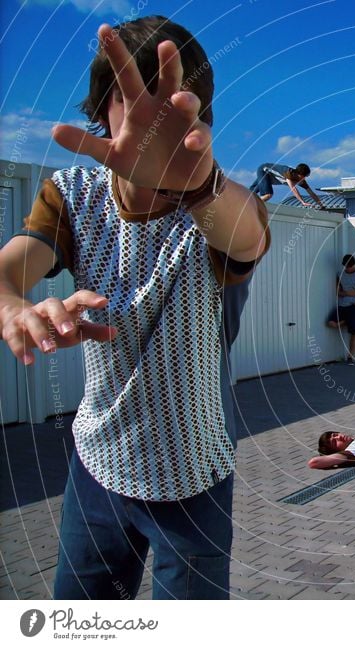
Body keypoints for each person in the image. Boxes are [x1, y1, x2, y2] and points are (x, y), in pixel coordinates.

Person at [0, 17, 270, 599]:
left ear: (201, 116)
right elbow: (12, 267)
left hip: (194, 474)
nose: (156, 119)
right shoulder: (72, 196)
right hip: (98, 464)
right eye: (131, 97)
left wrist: (198, 187)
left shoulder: (214, 205)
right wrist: (11, 304)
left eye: (178, 104)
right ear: (102, 111)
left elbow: (247, 237)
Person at [327, 254, 355, 365]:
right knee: (331, 323)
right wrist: (347, 293)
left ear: (354, 264)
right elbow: (338, 292)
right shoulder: (340, 274)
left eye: (350, 266)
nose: (348, 269)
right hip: (342, 306)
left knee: (354, 332)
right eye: (346, 266)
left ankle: (350, 357)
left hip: (354, 306)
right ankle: (347, 321)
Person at [249, 161, 323, 207]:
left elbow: (311, 193)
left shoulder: (301, 181)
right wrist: (302, 202)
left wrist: (321, 205)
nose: (305, 178)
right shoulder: (289, 173)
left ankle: (245, 201)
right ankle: (252, 205)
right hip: (264, 171)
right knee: (268, 195)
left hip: (269, 178)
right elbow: (293, 189)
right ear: (300, 174)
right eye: (305, 176)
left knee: (249, 194)